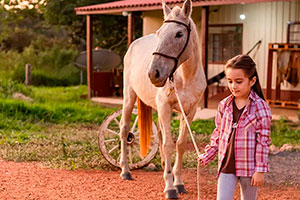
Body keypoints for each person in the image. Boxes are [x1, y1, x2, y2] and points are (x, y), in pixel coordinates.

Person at [197, 54, 272, 200]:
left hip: (249, 168)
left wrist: (260, 170)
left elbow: (263, 142)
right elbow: (218, 135)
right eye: (230, 81)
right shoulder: (224, 105)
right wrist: (207, 155)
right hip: (226, 166)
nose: (233, 86)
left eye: (238, 81)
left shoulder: (260, 108)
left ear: (252, 81)